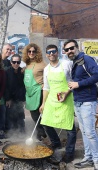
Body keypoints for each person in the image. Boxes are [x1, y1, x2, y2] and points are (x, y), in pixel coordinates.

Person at [64, 39, 98, 169]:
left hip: (88, 101)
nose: (69, 51)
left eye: (71, 48)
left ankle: (96, 160)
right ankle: (88, 158)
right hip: (78, 101)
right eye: (67, 50)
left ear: (77, 47)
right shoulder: (75, 62)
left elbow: (97, 75)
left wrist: (78, 84)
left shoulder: (86, 59)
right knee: (84, 132)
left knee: (90, 133)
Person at [39, 44, 76, 163]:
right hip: (51, 99)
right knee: (45, 122)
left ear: (57, 52)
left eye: (53, 51)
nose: (51, 54)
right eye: (49, 52)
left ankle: (69, 154)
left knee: (70, 128)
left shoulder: (66, 64)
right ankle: (56, 143)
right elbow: (46, 87)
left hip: (67, 98)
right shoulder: (46, 69)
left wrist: (66, 92)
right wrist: (43, 103)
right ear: (46, 55)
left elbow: (74, 81)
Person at [23, 43, 47, 141]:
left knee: (37, 114)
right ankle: (40, 132)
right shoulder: (27, 64)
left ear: (37, 53)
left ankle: (41, 133)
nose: (31, 53)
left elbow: (48, 77)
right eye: (29, 51)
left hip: (39, 91)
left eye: (34, 51)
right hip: (29, 92)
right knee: (33, 113)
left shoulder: (42, 64)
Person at [5, 54, 26, 132]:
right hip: (10, 98)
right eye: (14, 62)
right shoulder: (7, 72)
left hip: (19, 98)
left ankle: (22, 131)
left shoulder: (22, 72)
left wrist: (23, 99)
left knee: (20, 115)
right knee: (11, 115)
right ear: (11, 62)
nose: (16, 64)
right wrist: (8, 98)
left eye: (18, 62)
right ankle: (12, 132)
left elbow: (24, 86)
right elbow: (5, 86)